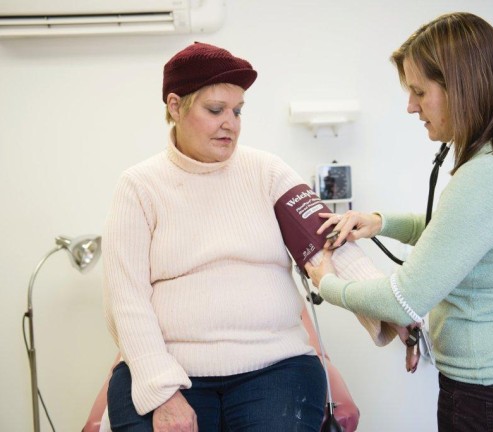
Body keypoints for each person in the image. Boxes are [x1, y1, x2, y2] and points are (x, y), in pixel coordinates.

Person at [102, 41, 401, 432]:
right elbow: (126, 299)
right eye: (216, 110)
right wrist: (162, 392)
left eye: (238, 111)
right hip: (173, 368)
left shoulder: (267, 172)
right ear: (175, 107)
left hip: (275, 366)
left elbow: (327, 242)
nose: (232, 123)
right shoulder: (139, 186)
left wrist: (396, 306)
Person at [305, 12, 493, 432]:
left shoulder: (484, 178)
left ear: (460, 87)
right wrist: (379, 222)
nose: (410, 106)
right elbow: (460, 232)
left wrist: (326, 283)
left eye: (418, 92)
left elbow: (402, 300)